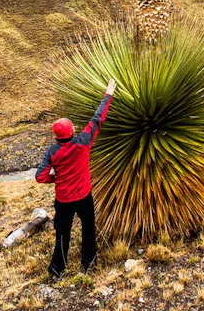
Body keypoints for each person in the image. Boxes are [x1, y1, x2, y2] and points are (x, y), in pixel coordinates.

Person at [35, 78, 117, 277]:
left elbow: (40, 176)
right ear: (71, 131)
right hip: (83, 197)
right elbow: (97, 119)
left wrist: (57, 179)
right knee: (88, 228)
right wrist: (108, 94)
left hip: (63, 201)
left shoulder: (52, 152)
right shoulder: (83, 142)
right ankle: (88, 263)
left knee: (62, 233)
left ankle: (57, 269)